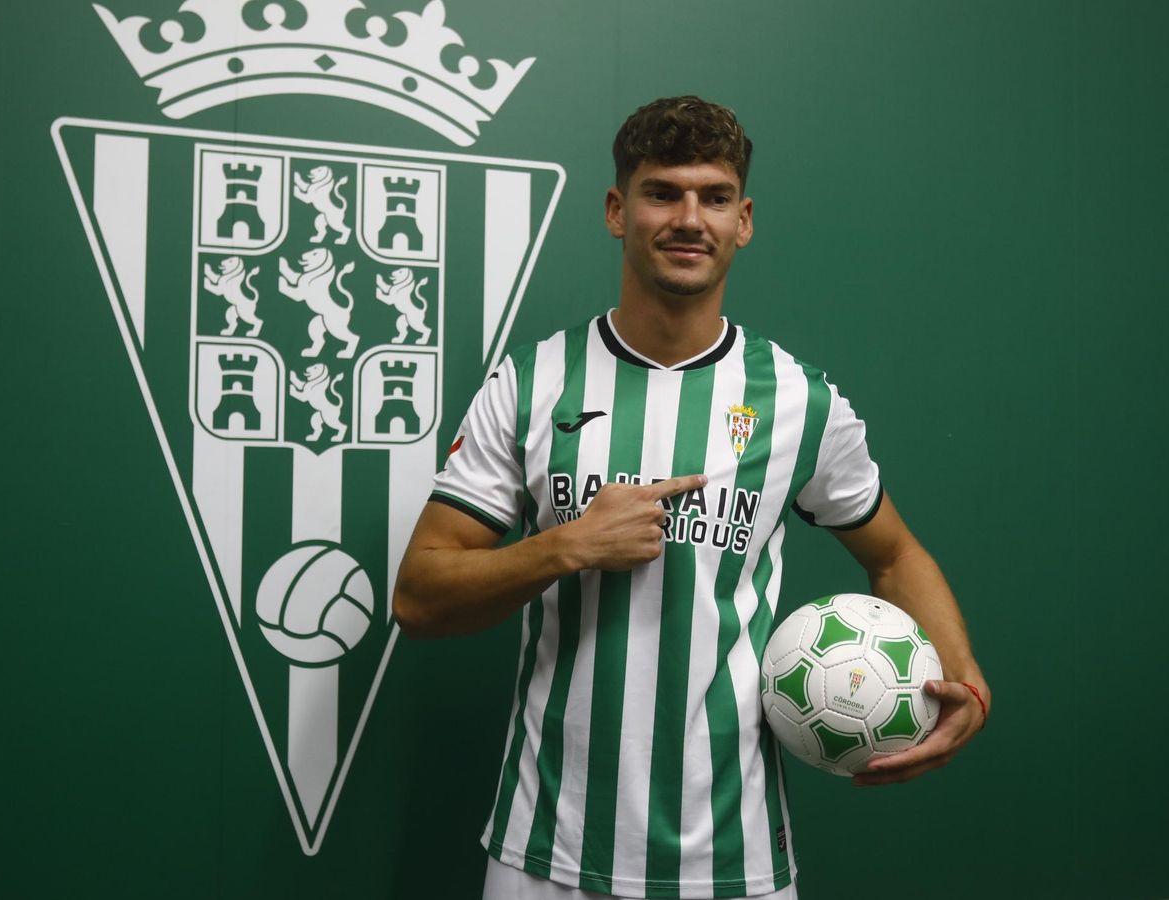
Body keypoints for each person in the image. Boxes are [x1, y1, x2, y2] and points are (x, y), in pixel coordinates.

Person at [392, 96, 990, 900]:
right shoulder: (531, 383)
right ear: (617, 210)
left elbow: (893, 554)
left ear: (743, 221)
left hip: (733, 859)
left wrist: (964, 681)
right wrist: (566, 544)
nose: (688, 218)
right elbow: (419, 595)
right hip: (547, 851)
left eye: (713, 197)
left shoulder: (798, 401)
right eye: (662, 192)